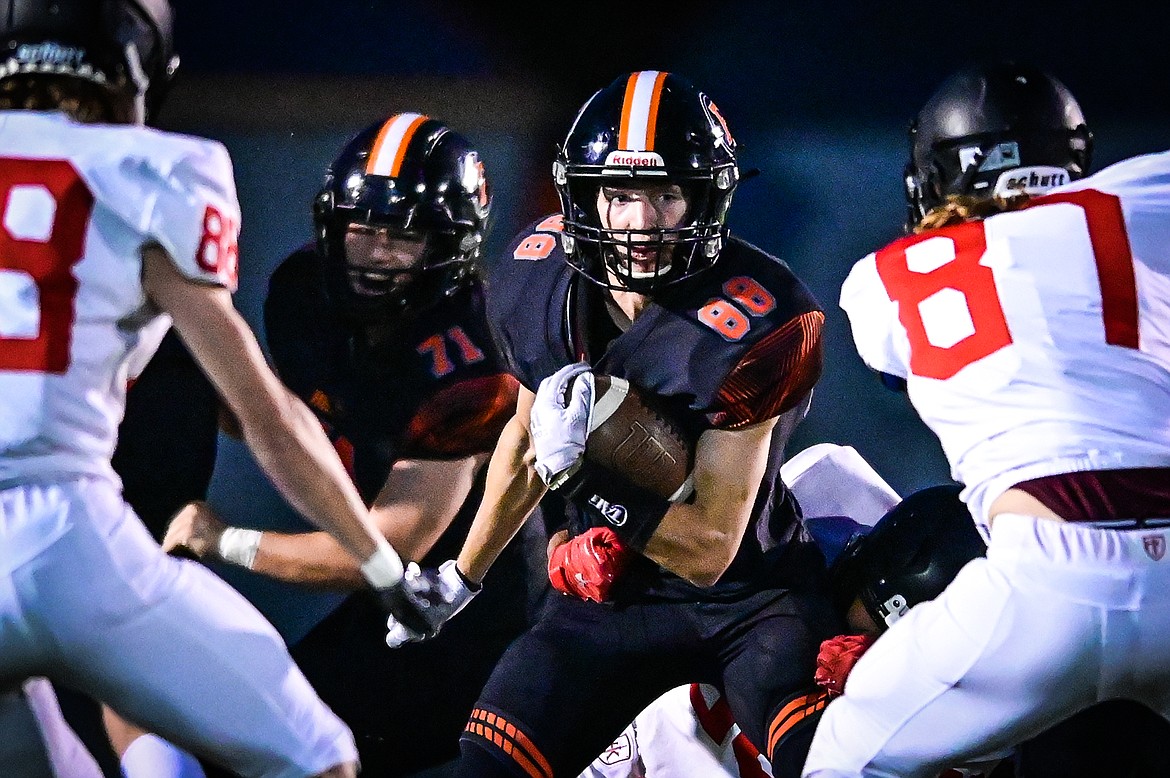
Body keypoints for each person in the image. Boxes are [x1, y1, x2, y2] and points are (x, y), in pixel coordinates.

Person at [0, 2, 435, 777]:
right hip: (72, 537)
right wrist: (384, 572)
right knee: (321, 758)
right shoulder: (151, 173)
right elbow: (266, 417)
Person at [384, 70, 841, 777]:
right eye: (621, 194)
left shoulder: (768, 316)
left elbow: (713, 546)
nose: (643, 220)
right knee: (485, 768)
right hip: (616, 600)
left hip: (752, 600)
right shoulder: (534, 280)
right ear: (583, 196)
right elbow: (525, 444)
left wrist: (589, 481)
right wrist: (462, 576)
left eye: (667, 193)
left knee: (830, 764)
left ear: (706, 196)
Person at [802, 60, 1170, 777]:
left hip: (1044, 586)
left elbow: (904, 360)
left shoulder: (879, 278)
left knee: (842, 758)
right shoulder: (1140, 200)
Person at [162, 112, 544, 776]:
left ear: (451, 246)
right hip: (390, 606)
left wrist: (223, 539)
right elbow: (297, 423)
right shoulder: (305, 294)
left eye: (403, 240)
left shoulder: (473, 360)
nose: (374, 257)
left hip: (471, 619)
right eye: (362, 230)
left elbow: (386, 548)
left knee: (285, 749)